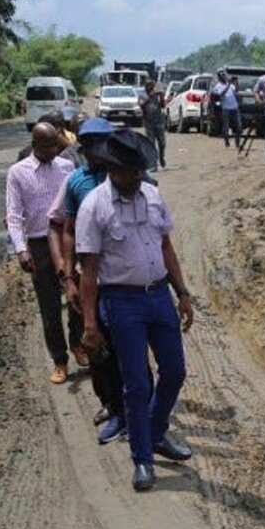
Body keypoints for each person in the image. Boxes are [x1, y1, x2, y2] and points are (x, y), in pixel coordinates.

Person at [76, 129, 195, 492]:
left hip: (159, 297)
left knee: (174, 371)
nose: (136, 178)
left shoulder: (153, 196)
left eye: (139, 172)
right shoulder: (94, 205)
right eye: (130, 173)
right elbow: (90, 270)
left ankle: (156, 432)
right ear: (113, 170)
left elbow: (166, 246)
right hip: (122, 301)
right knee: (137, 384)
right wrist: (91, 322)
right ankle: (142, 460)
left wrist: (183, 293)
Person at [46, 117, 127, 443]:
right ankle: (110, 403)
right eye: (90, 146)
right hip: (87, 276)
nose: (96, 152)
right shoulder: (77, 182)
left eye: (102, 145)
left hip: (120, 276)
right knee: (95, 347)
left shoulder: (126, 177)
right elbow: (66, 230)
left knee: (127, 345)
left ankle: (131, 404)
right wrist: (68, 276)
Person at [6, 122, 84, 384]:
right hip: (39, 244)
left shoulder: (67, 168)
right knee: (49, 306)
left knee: (77, 295)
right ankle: (59, 360)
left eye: (56, 144)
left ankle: (77, 342)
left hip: (67, 240)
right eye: (49, 146)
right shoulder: (18, 173)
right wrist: (20, 250)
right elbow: (14, 216)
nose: (55, 150)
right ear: (36, 145)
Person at [138, 81, 167, 169]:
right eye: (149, 87)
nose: (151, 89)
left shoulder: (157, 96)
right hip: (148, 123)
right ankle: (154, 164)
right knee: (151, 143)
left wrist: (161, 96)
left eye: (152, 87)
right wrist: (149, 97)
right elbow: (141, 105)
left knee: (162, 143)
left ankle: (161, 157)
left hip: (159, 121)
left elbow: (162, 106)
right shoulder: (142, 96)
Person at [211, 70, 242, 148]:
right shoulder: (218, 86)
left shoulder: (231, 85)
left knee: (239, 126)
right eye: (222, 76)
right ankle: (227, 142)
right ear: (219, 77)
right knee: (226, 127)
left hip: (235, 108)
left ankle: (237, 143)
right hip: (226, 109)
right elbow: (221, 94)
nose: (224, 77)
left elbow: (237, 90)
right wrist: (228, 85)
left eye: (224, 75)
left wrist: (236, 82)